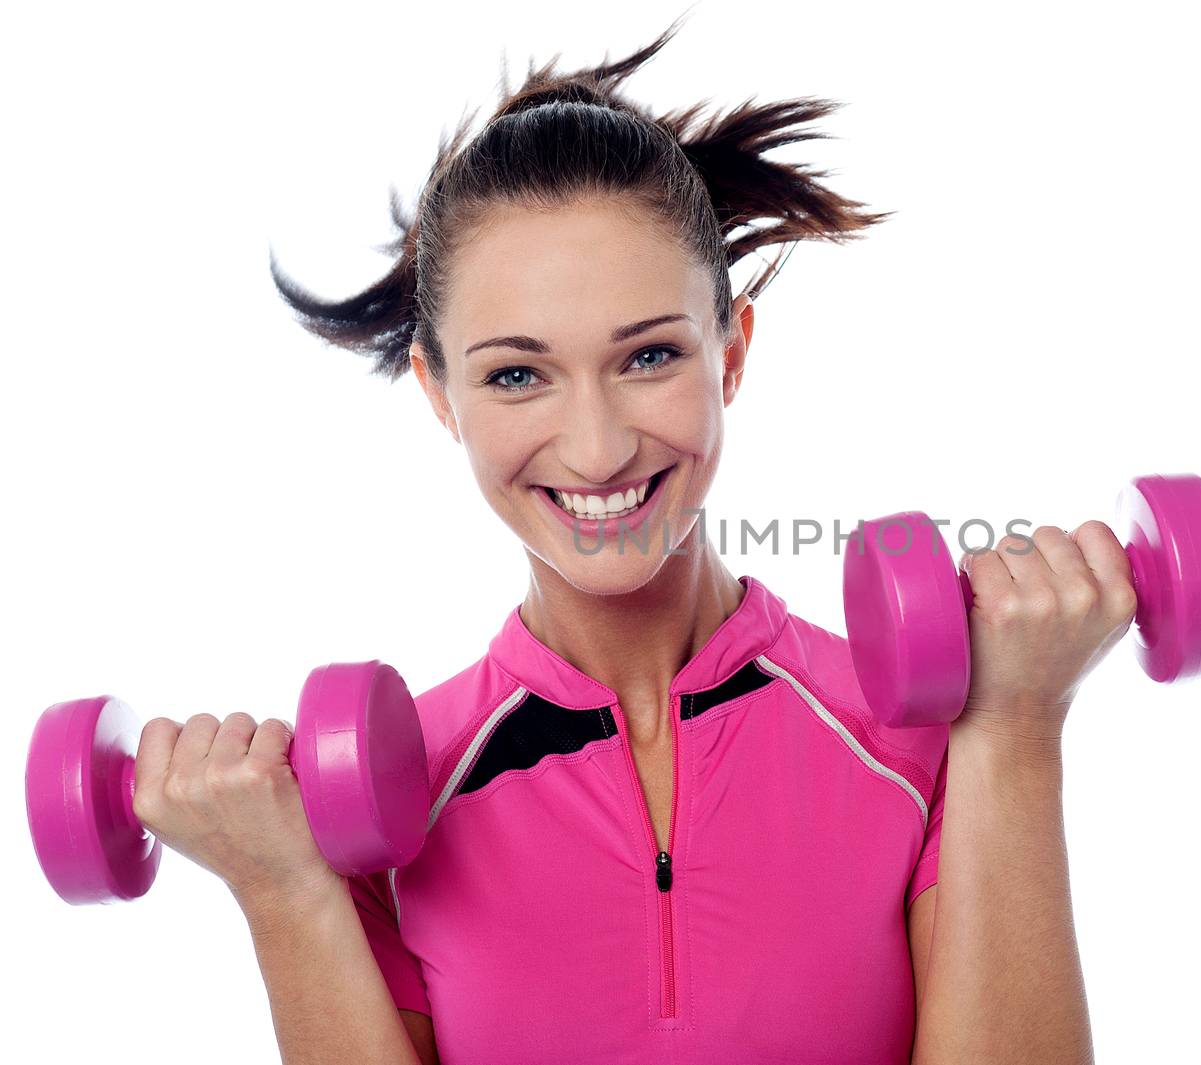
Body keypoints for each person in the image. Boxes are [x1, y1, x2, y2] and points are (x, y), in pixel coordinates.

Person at [135, 15, 1122, 1064]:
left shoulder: (915, 745)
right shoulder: (380, 814)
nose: (599, 448)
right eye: (517, 374)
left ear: (730, 355)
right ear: (440, 394)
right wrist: (286, 892)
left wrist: (1017, 724)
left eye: (649, 356)